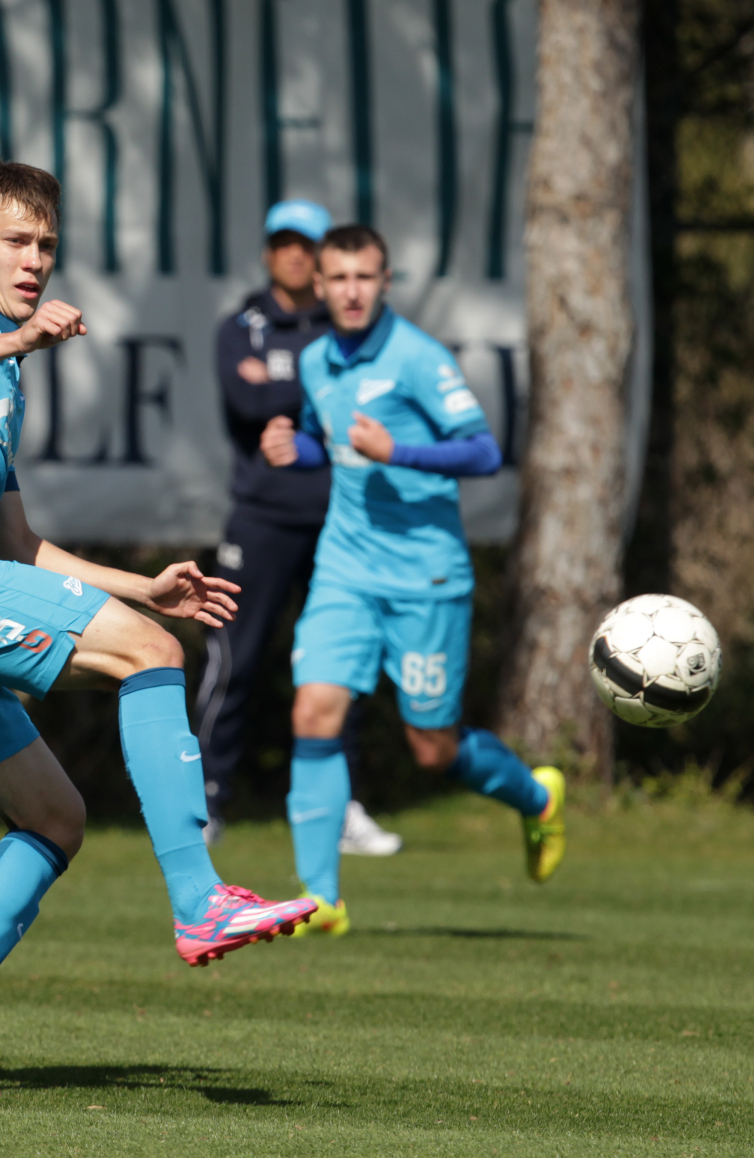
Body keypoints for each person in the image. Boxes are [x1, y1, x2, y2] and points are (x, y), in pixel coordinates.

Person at [0, 161, 317, 1097]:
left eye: (46, 245)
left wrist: (141, 585)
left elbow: (17, 542)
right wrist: (11, 333)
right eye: (14, 242)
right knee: (153, 657)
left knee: (56, 817)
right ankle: (197, 899)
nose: (33, 259)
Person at [260, 224, 566, 936]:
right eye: (338, 278)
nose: (352, 291)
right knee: (313, 715)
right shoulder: (315, 363)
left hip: (426, 576)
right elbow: (328, 440)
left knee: (433, 747)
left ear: (386, 280)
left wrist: (397, 449)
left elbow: (485, 451)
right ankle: (321, 901)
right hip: (344, 568)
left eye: (365, 277)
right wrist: (296, 449)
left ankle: (538, 799)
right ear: (319, 284)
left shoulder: (419, 359)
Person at [196, 199, 401, 856]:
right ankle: (203, 800)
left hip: (341, 519)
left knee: (338, 665)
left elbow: (360, 399)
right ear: (268, 253)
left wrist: (287, 380)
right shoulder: (242, 327)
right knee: (234, 660)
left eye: (306, 245)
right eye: (283, 243)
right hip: (260, 520)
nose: (295, 254)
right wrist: (313, 385)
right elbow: (246, 401)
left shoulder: (351, 328)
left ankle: (341, 809)